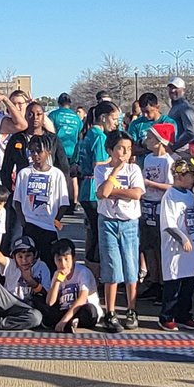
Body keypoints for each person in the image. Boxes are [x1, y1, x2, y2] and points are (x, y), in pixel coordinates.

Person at [95, 130, 146, 332]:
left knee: (131, 266)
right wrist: (115, 172)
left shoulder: (134, 169)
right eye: (120, 148)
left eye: (128, 149)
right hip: (108, 221)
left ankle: (131, 310)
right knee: (112, 266)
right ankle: (110, 312)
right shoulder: (101, 169)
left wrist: (115, 191)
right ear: (110, 150)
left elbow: (136, 193)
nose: (125, 153)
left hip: (129, 222)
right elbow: (102, 193)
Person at [12, 136, 71, 268]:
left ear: (48, 152)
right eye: (32, 151)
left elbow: (64, 203)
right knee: (29, 264)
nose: (35, 155)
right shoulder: (24, 173)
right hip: (30, 225)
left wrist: (56, 221)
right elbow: (17, 201)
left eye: (39, 151)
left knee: (49, 263)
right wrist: (24, 223)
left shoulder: (56, 174)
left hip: (48, 227)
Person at [157, 158, 194, 330]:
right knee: (174, 282)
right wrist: (182, 238)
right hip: (175, 247)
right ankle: (166, 316)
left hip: (191, 246)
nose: (193, 180)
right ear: (180, 176)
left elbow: (193, 218)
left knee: (189, 281)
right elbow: (168, 223)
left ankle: (184, 314)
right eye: (191, 176)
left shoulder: (189, 195)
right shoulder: (170, 196)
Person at [75, 101, 117, 275]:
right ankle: (96, 272)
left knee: (93, 231)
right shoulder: (99, 137)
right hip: (94, 188)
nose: (116, 123)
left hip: (85, 188)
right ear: (103, 117)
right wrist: (115, 159)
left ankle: (91, 270)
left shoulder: (88, 134)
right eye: (114, 118)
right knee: (100, 233)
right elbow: (98, 164)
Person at [139, 123, 176, 299]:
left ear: (160, 141)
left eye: (150, 138)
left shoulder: (168, 161)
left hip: (160, 206)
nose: (146, 141)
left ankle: (163, 282)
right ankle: (153, 280)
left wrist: (150, 184)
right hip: (146, 204)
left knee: (160, 246)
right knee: (148, 246)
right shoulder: (148, 158)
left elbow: (171, 186)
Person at [42, 239, 101, 332]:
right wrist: (56, 282)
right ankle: (71, 323)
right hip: (65, 309)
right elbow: (50, 302)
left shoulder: (82, 272)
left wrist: (64, 320)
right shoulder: (57, 274)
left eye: (66, 259)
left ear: (73, 258)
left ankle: (70, 322)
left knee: (90, 311)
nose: (63, 264)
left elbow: (82, 298)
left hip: (81, 309)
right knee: (46, 311)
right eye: (59, 260)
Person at [49, 94, 83, 203]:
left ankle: (59, 201)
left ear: (59, 103)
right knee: (73, 177)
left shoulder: (54, 115)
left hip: (58, 150)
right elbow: (79, 133)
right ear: (70, 103)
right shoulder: (76, 118)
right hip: (73, 150)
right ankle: (73, 202)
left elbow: (49, 131)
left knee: (58, 176)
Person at [166, 78, 194, 155]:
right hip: (174, 151)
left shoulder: (184, 107)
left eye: (175, 88)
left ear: (183, 90)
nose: (172, 90)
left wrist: (173, 147)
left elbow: (191, 132)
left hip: (181, 152)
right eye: (170, 88)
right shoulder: (175, 107)